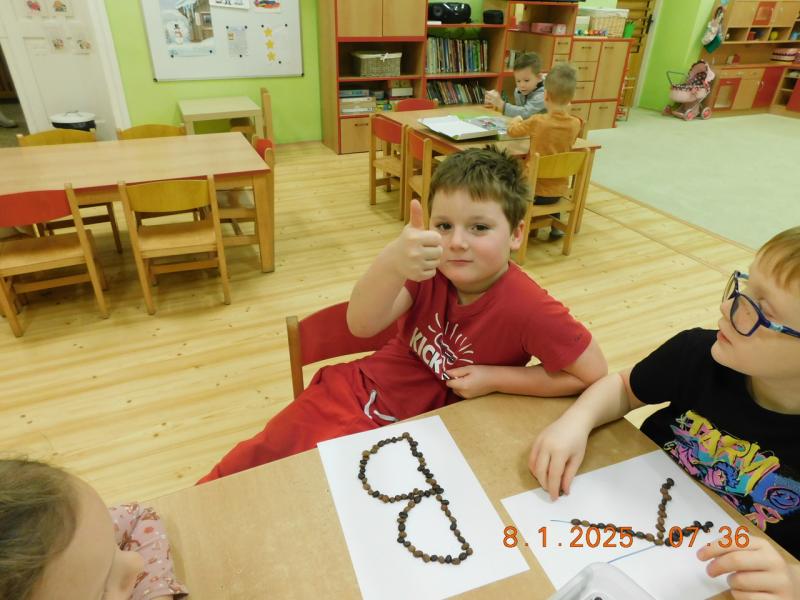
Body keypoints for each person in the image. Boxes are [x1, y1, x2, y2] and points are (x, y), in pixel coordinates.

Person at [199, 147, 607, 482]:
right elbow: (361, 325)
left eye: (479, 228)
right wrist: (393, 260)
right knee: (254, 464)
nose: (456, 242)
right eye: (443, 225)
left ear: (516, 234)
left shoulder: (529, 307)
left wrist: (495, 378)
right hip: (360, 394)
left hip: (436, 432)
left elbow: (591, 374)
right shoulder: (426, 269)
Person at [529, 226, 800, 599]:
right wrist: (576, 421)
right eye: (744, 288)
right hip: (620, 526)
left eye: (759, 310)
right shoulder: (697, 353)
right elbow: (623, 387)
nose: (727, 308)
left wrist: (793, 580)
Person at [0, 458, 188, 600]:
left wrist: (153, 591)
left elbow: (138, 517)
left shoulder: (74, 534)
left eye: (113, 544)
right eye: (104, 591)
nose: (136, 561)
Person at [506, 62, 583, 240]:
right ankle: (556, 226)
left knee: (511, 179)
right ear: (572, 97)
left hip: (532, 192)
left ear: (545, 95)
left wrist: (514, 120)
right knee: (553, 171)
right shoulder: (575, 124)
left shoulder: (538, 121)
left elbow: (513, 131)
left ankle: (516, 227)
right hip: (559, 192)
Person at [484, 53, 545, 119]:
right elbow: (520, 113)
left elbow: (526, 113)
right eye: (518, 81)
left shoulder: (543, 95)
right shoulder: (518, 91)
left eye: (526, 80)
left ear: (539, 77)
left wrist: (502, 105)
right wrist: (495, 104)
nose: (522, 85)